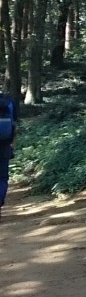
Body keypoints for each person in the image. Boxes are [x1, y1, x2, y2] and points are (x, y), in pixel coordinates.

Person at [0, 93, 16, 222]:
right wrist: (12, 144)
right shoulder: (8, 102)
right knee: (2, 177)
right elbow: (14, 125)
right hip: (4, 145)